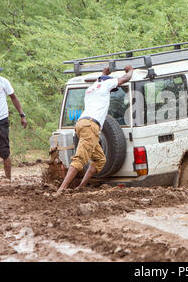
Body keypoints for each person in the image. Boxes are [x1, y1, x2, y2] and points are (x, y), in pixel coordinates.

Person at [55, 65, 134, 195]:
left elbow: (100, 80)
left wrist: (103, 73)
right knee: (79, 160)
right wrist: (130, 70)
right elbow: (125, 79)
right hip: (90, 126)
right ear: (108, 83)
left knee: (100, 159)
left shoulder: (90, 89)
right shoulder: (105, 85)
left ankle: (81, 186)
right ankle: (61, 189)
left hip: (82, 124)